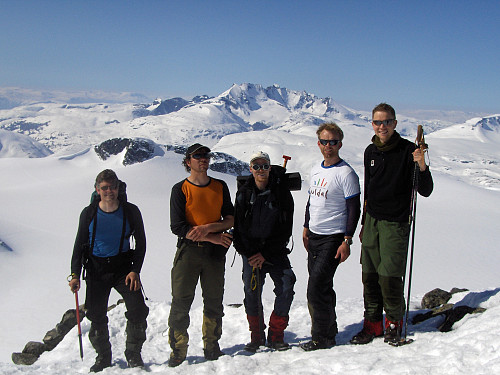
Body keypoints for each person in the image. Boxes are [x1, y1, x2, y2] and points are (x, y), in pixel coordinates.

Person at [350, 103, 433, 345]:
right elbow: (369, 191)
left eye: (386, 122)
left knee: (389, 276)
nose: (382, 126)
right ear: (372, 124)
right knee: (370, 275)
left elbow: (425, 190)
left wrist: (421, 163)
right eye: (377, 122)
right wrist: (364, 223)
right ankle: (373, 324)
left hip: (396, 223)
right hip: (373, 221)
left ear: (395, 123)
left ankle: (394, 323)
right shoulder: (370, 151)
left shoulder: (409, 151)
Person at [69, 169, 149, 372]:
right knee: (96, 315)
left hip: (123, 268)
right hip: (96, 269)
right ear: (97, 189)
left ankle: (133, 354)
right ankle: (103, 357)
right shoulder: (88, 213)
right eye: (104, 188)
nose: (109, 191)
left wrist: (135, 271)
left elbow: (141, 244)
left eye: (112, 187)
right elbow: (79, 244)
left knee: (138, 308)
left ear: (118, 187)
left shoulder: (131, 211)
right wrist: (75, 274)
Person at [168, 143, 234, 367]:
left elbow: (231, 219)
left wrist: (206, 229)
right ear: (188, 161)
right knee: (181, 301)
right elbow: (178, 227)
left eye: (206, 155)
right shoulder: (180, 189)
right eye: (198, 156)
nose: (203, 159)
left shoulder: (220, 186)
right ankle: (179, 349)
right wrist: (212, 236)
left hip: (214, 254)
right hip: (189, 252)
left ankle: (212, 346)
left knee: (214, 300)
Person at [301, 122, 361, 351]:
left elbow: (354, 209)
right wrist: (306, 227)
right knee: (323, 287)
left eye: (333, 142)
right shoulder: (316, 170)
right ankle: (330, 329)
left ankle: (321, 338)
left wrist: (347, 240)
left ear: (340, 144)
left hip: (333, 238)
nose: (329, 146)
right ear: (319, 144)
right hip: (314, 237)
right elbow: (311, 201)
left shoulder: (346, 173)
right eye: (325, 142)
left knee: (315, 288)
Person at [233, 151, 296, 352]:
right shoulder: (244, 193)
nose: (261, 170)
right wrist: (251, 254)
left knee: (286, 285)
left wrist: (265, 254)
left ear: (270, 167)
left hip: (274, 251)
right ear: (250, 169)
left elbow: (285, 228)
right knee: (252, 293)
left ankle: (276, 334)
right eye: (256, 166)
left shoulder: (281, 192)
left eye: (265, 165)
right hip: (251, 254)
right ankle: (257, 335)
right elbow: (239, 227)